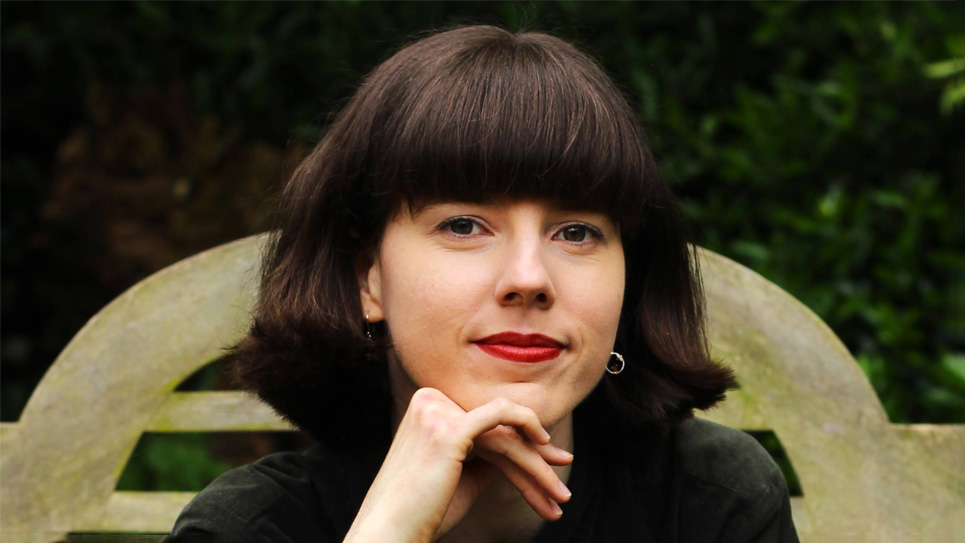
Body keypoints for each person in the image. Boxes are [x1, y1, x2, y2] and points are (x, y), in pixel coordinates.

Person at [166, 25, 798, 543]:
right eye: (465, 225)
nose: (529, 279)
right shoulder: (251, 529)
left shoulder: (710, 502)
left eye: (576, 232)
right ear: (369, 280)